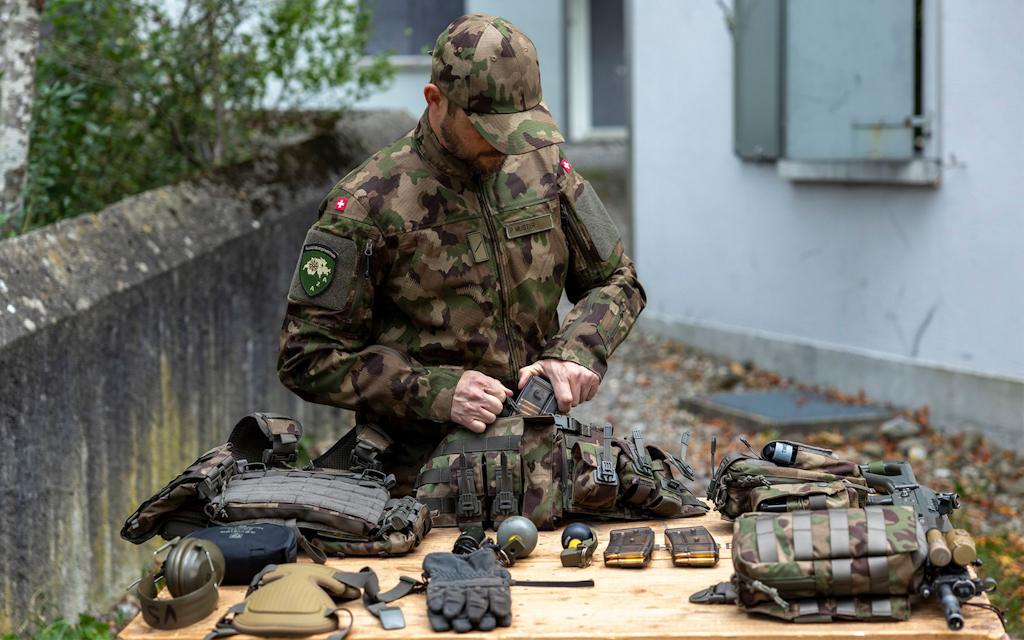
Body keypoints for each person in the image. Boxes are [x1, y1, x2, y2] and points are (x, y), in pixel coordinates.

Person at [278, 14, 645, 495]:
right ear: (436, 102)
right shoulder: (367, 204)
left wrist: (574, 352)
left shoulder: (545, 166)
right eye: (491, 129)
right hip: (419, 483)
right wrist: (438, 392)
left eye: (519, 127)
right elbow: (305, 355)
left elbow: (617, 280)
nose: (507, 145)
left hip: (539, 467)